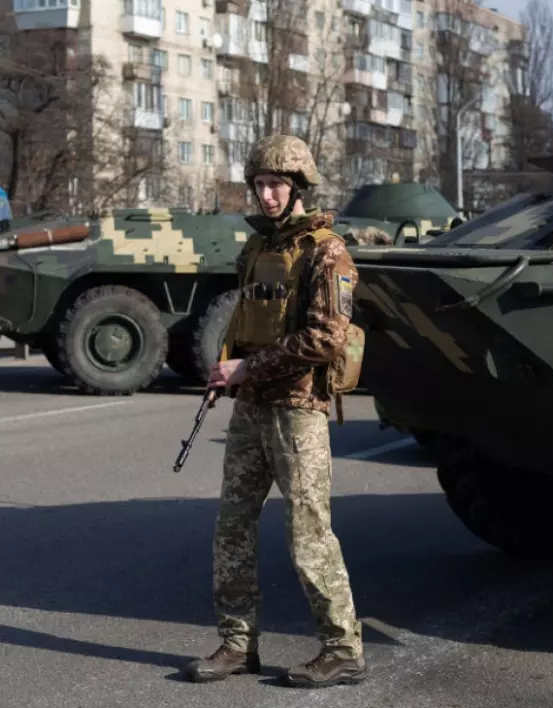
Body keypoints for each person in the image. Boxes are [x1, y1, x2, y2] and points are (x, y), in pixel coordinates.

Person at [183, 135, 367, 689]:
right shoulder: (257, 250)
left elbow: (326, 338)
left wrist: (247, 370)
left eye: (276, 185)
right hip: (253, 407)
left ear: (298, 189)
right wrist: (227, 369)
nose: (266, 195)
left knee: (309, 533)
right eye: (260, 184)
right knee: (232, 527)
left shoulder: (326, 251)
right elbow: (244, 320)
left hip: (297, 411)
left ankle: (343, 648)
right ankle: (238, 645)